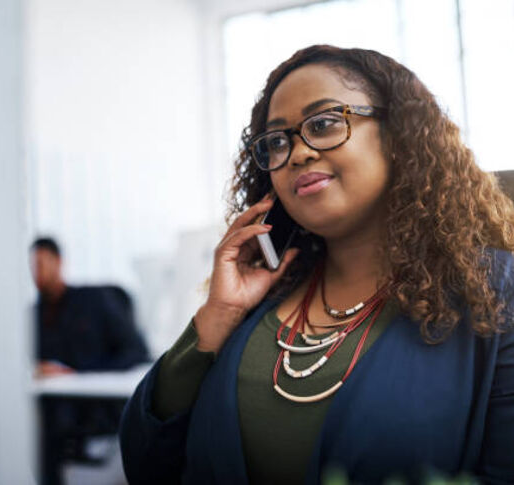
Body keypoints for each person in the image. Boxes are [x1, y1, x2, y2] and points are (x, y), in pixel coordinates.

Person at [118, 45, 514, 484]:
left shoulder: (493, 289)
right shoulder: (263, 299)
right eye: (277, 141)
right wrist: (218, 316)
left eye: (323, 124)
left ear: (399, 134)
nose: (298, 154)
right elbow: (145, 461)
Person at [31, 237, 149, 485]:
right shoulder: (34, 313)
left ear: (59, 262)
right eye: (32, 266)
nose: (36, 272)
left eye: (41, 263)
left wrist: (74, 372)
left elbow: (137, 352)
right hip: (50, 405)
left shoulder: (94, 301)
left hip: (92, 408)